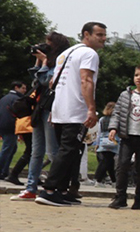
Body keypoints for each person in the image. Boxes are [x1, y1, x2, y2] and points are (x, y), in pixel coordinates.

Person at [35, 22, 107, 207]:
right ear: (86, 34)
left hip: (60, 110)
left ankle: (62, 190)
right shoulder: (89, 54)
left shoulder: (66, 54)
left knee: (71, 151)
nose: (103, 38)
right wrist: (91, 108)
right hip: (75, 110)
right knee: (68, 151)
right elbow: (86, 80)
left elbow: (53, 83)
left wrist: (54, 111)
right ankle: (49, 190)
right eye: (99, 34)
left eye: (104, 35)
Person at [10, 33, 70, 202]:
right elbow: (36, 83)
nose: (45, 46)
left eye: (48, 44)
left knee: (53, 151)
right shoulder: (49, 62)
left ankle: (57, 188)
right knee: (36, 152)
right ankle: (30, 188)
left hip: (52, 109)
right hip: (39, 109)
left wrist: (44, 62)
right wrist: (38, 61)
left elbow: (48, 80)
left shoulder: (62, 62)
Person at [108, 64, 140, 209]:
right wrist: (113, 128)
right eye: (136, 75)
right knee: (122, 165)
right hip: (127, 136)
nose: (138, 78)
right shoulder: (125, 95)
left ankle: (139, 199)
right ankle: (120, 197)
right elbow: (117, 112)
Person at [0, 82, 29, 181]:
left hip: (3, 125)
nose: (25, 91)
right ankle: (2, 170)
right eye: (23, 88)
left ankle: (5, 170)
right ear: (16, 87)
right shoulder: (17, 99)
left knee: (11, 148)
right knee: (8, 148)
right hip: (10, 126)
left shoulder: (4, 98)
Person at [93, 102, 118, 184]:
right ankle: (99, 178)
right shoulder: (116, 120)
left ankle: (113, 179)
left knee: (108, 161)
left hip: (103, 141)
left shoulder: (102, 119)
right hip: (113, 141)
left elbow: (99, 133)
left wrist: (97, 144)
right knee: (108, 161)